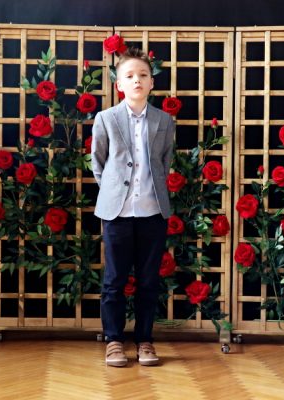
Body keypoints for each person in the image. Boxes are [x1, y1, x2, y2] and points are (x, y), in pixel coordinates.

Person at [91, 47, 175, 367]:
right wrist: (113, 191)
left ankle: (144, 341)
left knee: (148, 281)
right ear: (119, 84)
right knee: (114, 280)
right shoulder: (106, 118)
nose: (137, 80)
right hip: (117, 214)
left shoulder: (164, 121)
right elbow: (99, 163)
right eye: (129, 76)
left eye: (143, 75)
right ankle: (114, 340)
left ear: (152, 82)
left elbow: (164, 162)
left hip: (153, 212)